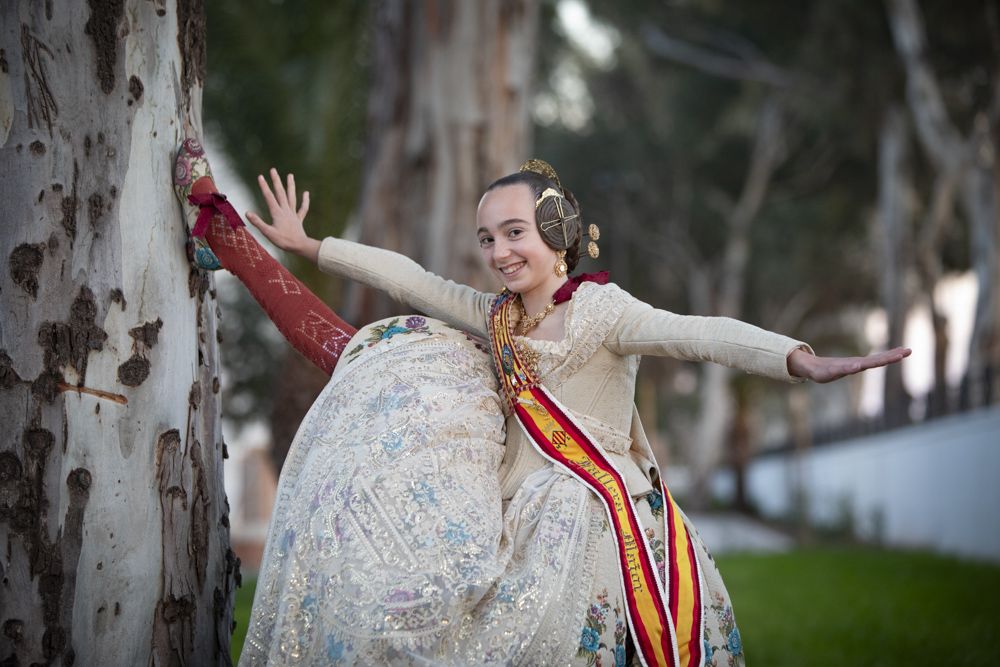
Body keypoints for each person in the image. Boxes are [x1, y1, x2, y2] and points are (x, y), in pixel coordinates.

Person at [176, 141, 909, 666]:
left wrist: (799, 359)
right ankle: (228, 238)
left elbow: (698, 335)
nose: (498, 251)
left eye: (515, 232)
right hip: (508, 519)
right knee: (374, 375)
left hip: (597, 526)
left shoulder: (605, 312)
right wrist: (314, 245)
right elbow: (412, 279)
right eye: (488, 237)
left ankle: (225, 236)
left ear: (557, 232)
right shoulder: (495, 314)